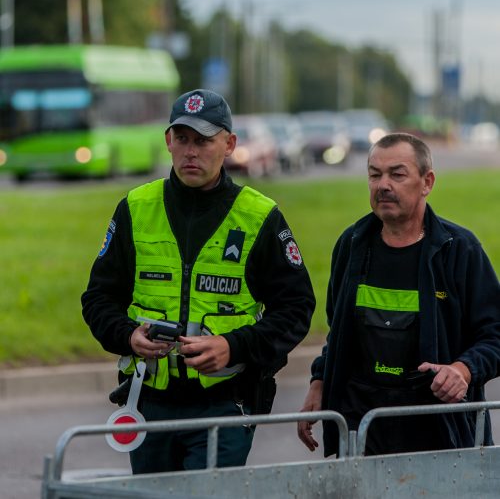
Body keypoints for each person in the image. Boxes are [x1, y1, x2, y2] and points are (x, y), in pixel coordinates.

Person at [81, 89, 315, 473]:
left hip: (224, 404)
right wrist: (126, 336)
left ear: (229, 145)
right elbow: (98, 298)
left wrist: (233, 346)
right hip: (150, 403)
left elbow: (296, 308)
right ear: (168, 141)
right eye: (183, 139)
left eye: (204, 141)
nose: (192, 151)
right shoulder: (135, 208)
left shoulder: (259, 216)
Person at [297, 132, 500, 457]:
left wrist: (463, 370)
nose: (383, 185)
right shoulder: (351, 245)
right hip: (361, 433)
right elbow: (337, 331)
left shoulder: (460, 251)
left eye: (397, 174)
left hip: (438, 435)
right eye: (375, 175)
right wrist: (319, 382)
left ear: (427, 182)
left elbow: (495, 334)